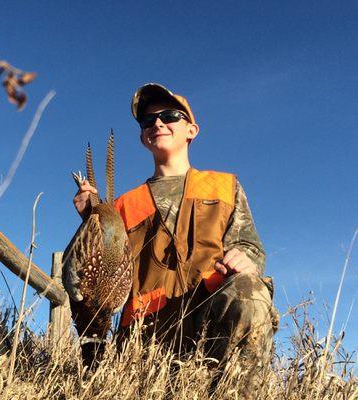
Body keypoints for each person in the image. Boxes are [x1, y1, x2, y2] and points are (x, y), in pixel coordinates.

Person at [72, 83, 278, 386]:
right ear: (143, 137)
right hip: (149, 335)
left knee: (249, 290)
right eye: (148, 121)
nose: (157, 123)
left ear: (191, 130)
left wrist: (245, 259)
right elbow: (101, 281)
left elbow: (248, 246)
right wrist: (93, 220)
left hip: (212, 322)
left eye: (169, 116)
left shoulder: (224, 187)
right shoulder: (122, 206)